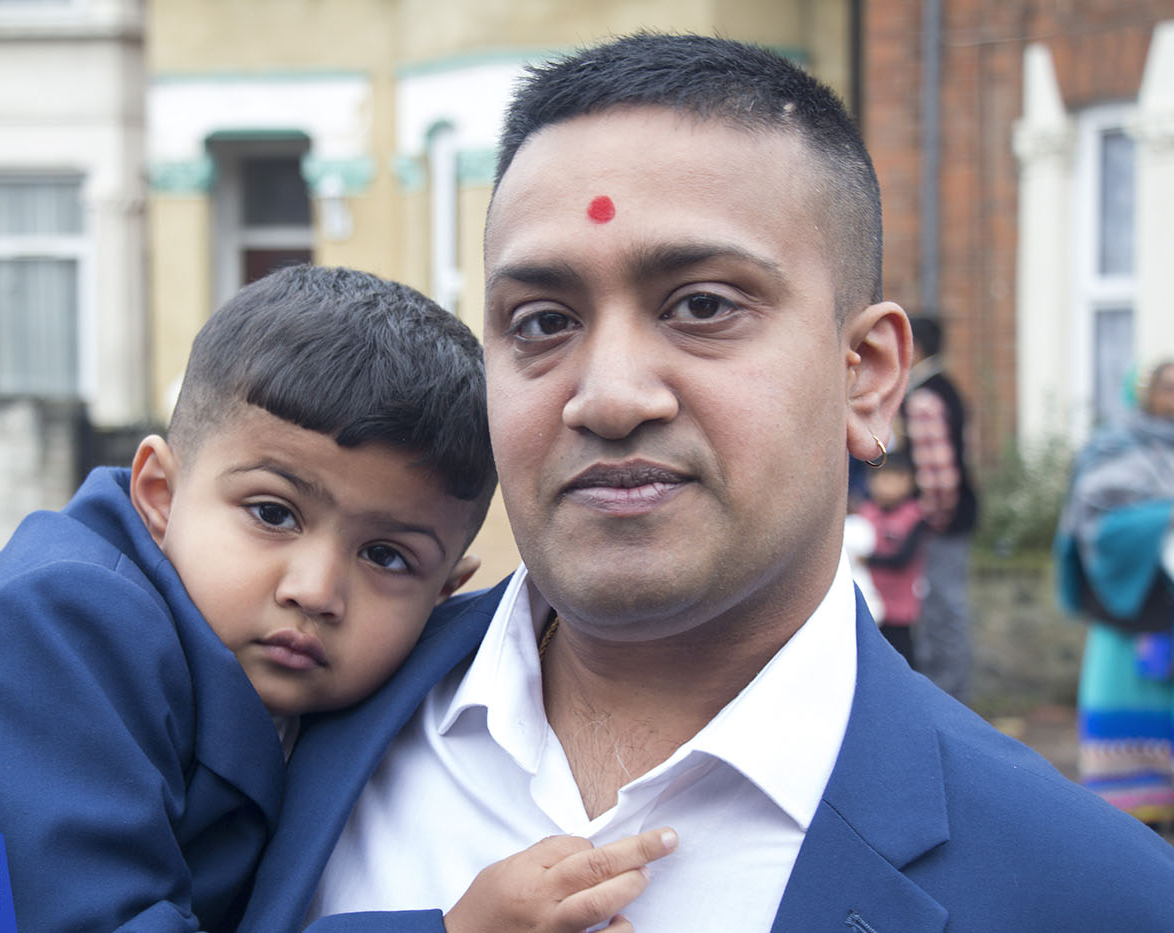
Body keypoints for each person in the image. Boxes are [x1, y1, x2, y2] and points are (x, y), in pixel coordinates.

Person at [240, 34, 1174, 933]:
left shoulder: (1093, 895)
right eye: (541, 322)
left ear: (866, 374)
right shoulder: (281, 716)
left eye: (702, 306)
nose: (609, 397)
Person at [0, 265, 676, 932]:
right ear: (158, 494)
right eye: (273, 513)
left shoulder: (371, 673)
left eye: (387, 557)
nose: (315, 589)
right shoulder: (56, 625)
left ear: (447, 590)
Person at [1056, 359, 1174, 828]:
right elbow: (1093, 522)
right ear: (1144, 393)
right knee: (1126, 700)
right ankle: (1131, 811)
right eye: (1167, 387)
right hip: (1127, 608)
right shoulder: (1113, 447)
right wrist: (1161, 520)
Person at [902, 315, 979, 702]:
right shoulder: (946, 388)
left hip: (939, 522)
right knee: (943, 605)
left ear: (916, 349)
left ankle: (947, 695)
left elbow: (938, 475)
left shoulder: (924, 397)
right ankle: (948, 692)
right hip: (951, 517)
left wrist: (931, 521)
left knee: (940, 608)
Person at [855, 449, 929, 666]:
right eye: (879, 478)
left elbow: (903, 559)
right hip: (869, 604)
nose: (884, 485)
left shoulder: (915, 517)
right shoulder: (865, 513)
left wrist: (868, 560)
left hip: (900, 608)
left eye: (892, 478)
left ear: (909, 482)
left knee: (902, 658)